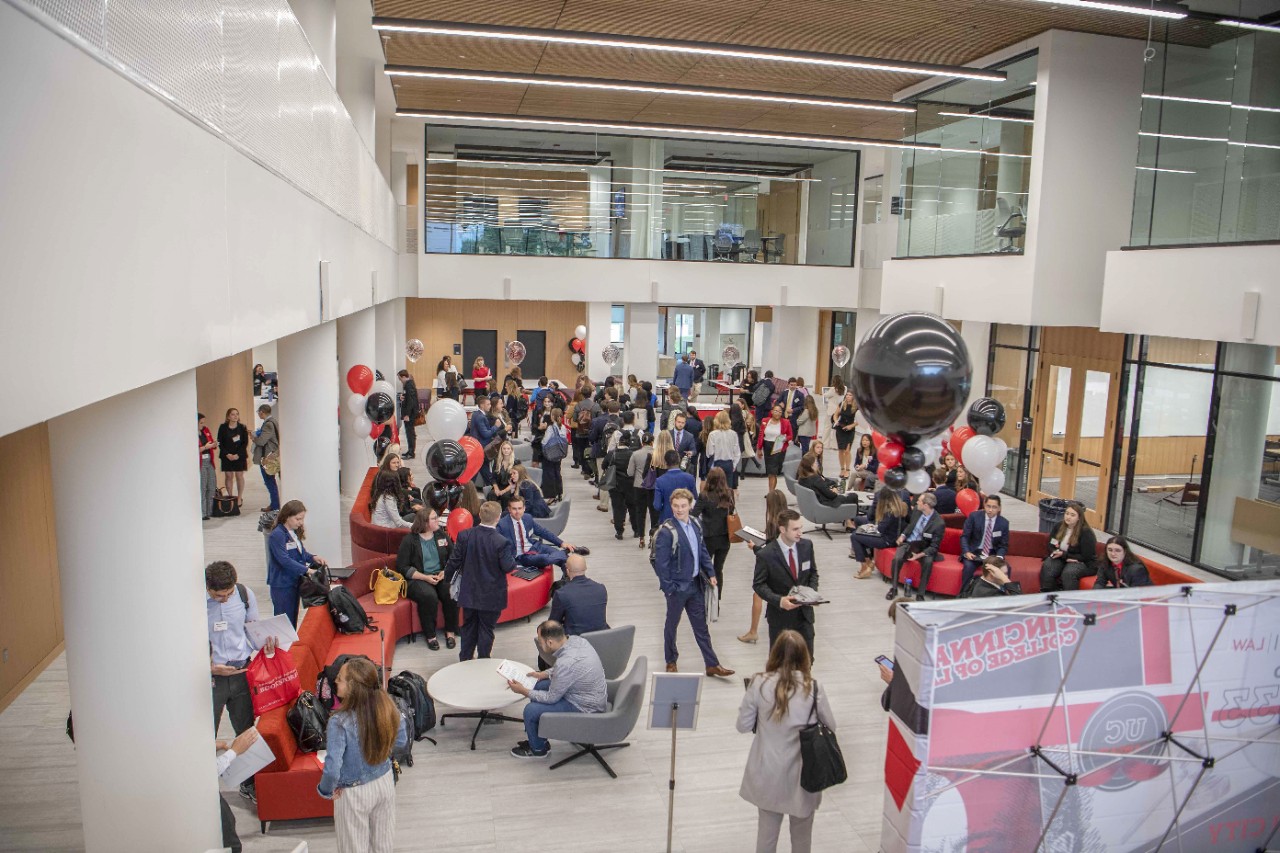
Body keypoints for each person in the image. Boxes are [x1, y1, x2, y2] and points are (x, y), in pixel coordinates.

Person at [737, 630, 836, 853]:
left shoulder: (758, 683)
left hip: (767, 773)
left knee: (766, 838)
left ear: (774, 654)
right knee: (802, 841)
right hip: (803, 777)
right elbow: (831, 727)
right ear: (805, 656)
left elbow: (742, 725)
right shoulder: (814, 688)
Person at [317, 657, 409, 853]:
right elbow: (401, 741)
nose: (335, 681)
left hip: (353, 794)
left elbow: (332, 769)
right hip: (385, 782)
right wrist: (380, 752)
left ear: (352, 686)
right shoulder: (387, 705)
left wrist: (326, 790)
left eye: (340, 679)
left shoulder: (339, 722)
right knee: (383, 847)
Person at [652, 489, 735, 678]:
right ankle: (671, 660)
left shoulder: (697, 524)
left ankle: (712, 664)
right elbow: (661, 564)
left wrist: (711, 572)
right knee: (672, 625)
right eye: (675, 506)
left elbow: (702, 550)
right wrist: (669, 588)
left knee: (701, 627)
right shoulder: (667, 532)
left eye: (683, 506)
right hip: (677, 588)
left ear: (690, 505)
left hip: (696, 585)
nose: (679, 510)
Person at [506, 620, 608, 759]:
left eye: (540, 642)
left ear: (549, 642)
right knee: (537, 685)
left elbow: (551, 697)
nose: (540, 645)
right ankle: (538, 738)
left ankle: (538, 749)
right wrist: (544, 674)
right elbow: (565, 669)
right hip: (587, 693)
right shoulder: (578, 641)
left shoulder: (565, 663)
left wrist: (523, 690)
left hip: (584, 706)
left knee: (530, 710)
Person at [206, 560, 264, 804]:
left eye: (229, 594)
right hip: (212, 680)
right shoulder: (192, 603)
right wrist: (208, 668)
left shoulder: (244, 594)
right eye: (220, 596)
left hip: (242, 673)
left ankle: (248, 784)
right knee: (205, 734)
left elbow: (253, 629)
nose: (225, 599)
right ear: (208, 588)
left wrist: (263, 645)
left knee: (246, 731)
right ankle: (204, 787)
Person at [444, 501, 516, 660]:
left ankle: (465, 659)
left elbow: (454, 561)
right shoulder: (501, 541)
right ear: (498, 518)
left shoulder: (465, 535)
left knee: (468, 626)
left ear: (480, 516)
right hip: (491, 595)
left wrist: (447, 580)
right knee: (486, 629)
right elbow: (508, 567)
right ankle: (483, 660)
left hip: (469, 591)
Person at [752, 510, 819, 659]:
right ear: (782, 529)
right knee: (780, 664)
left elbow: (813, 573)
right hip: (780, 619)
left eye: (800, 528)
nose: (800, 533)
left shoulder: (807, 546)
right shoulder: (766, 554)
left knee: (807, 661)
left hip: (804, 617)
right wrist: (779, 600)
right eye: (795, 529)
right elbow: (758, 584)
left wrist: (811, 593)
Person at [396, 509, 458, 650]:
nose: (438, 520)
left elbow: (453, 557)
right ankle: (430, 635)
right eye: (434, 518)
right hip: (418, 577)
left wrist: (445, 571)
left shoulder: (441, 535)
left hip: (439, 574)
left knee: (451, 591)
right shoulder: (410, 540)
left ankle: (450, 631)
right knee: (429, 596)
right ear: (424, 522)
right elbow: (402, 567)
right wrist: (425, 577)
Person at [266, 500, 328, 626]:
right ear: (287, 516)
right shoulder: (277, 535)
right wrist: (307, 570)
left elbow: (301, 554)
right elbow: (284, 560)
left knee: (293, 618)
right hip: (282, 584)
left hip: (294, 581)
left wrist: (313, 558)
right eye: (298, 519)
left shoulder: (293, 532)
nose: (301, 522)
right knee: (284, 621)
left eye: (302, 519)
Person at [739, 489, 788, 644]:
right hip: (783, 565)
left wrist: (754, 547)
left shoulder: (773, 522)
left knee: (758, 593)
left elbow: (768, 551)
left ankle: (753, 631)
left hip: (769, 566)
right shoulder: (786, 520)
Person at [497, 495, 586, 571]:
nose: (517, 512)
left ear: (524, 508)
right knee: (545, 559)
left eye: (520, 508)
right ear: (509, 509)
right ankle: (566, 552)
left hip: (534, 546)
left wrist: (561, 543)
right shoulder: (502, 524)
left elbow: (543, 532)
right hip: (521, 556)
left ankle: (566, 580)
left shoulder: (527, 518)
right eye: (514, 509)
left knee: (562, 559)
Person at [887, 492, 945, 602]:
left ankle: (920, 594)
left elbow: (934, 547)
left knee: (928, 562)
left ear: (926, 505)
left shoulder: (938, 523)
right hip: (909, 543)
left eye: (919, 501)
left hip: (924, 548)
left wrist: (918, 555)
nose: (916, 502)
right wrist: (903, 536)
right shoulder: (917, 511)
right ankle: (893, 588)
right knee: (897, 559)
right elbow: (911, 526)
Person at [692, 467, 735, 600]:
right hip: (724, 538)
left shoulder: (704, 496)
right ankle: (717, 598)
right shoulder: (729, 493)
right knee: (718, 569)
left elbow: (694, 515)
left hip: (708, 537)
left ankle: (705, 596)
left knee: (706, 569)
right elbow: (731, 512)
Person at [850, 487, 909, 580]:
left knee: (854, 536)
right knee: (858, 536)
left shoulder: (889, 512)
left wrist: (876, 524)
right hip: (894, 537)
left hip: (886, 540)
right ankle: (868, 562)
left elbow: (881, 529)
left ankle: (864, 566)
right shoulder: (901, 506)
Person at [1040, 501, 1098, 591]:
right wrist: (1054, 552)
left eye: (1072, 515)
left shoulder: (1086, 532)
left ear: (1079, 518)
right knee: (1048, 566)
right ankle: (1048, 594)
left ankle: (1069, 599)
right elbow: (1051, 544)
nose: (1068, 517)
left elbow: (1087, 556)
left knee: (1069, 573)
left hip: (1082, 562)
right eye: (1067, 514)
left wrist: (1064, 555)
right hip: (1062, 557)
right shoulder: (1058, 526)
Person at [549, 554, 609, 636]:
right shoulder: (601, 588)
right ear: (585, 568)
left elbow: (553, 624)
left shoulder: (561, 594)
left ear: (567, 571)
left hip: (576, 641)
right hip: (601, 638)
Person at [960, 494, 1011, 590]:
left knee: (1006, 568)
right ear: (984, 505)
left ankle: (1002, 595)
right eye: (988, 506)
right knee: (968, 567)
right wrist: (966, 551)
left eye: (994, 507)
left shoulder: (1004, 523)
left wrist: (999, 557)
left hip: (992, 554)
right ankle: (963, 595)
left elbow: (1003, 545)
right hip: (974, 552)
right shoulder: (974, 517)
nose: (990, 510)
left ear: (999, 508)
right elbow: (964, 537)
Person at [606, 412, 642, 539]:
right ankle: (636, 529)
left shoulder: (616, 435)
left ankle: (619, 531)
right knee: (633, 506)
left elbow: (607, 455)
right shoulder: (639, 435)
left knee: (618, 507)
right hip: (631, 481)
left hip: (616, 482)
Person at [757, 403, 794, 494]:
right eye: (776, 411)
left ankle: (771, 493)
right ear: (772, 411)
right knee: (770, 472)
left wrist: (784, 439)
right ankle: (772, 491)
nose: (777, 413)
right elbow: (761, 435)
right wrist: (759, 448)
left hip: (778, 447)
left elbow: (790, 435)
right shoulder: (765, 421)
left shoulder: (785, 422)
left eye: (780, 412)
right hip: (767, 446)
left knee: (773, 472)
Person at [626, 432, 656, 546]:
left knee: (640, 512)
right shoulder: (656, 454)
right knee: (653, 512)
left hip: (638, 486)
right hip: (652, 486)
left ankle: (641, 537)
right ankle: (652, 536)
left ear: (642, 442)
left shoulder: (635, 454)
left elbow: (629, 472)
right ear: (652, 442)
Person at [653, 449, 697, 525]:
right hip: (686, 518)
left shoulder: (659, 481)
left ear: (665, 463)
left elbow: (657, 505)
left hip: (667, 520)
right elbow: (694, 499)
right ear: (679, 460)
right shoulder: (690, 478)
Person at [217, 408, 250, 507]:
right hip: (227, 456)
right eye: (233, 414)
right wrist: (227, 454)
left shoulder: (242, 427)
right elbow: (220, 442)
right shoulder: (223, 427)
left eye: (237, 414)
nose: (235, 416)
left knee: (239, 476)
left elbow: (245, 443)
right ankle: (230, 497)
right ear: (228, 416)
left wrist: (237, 455)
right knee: (229, 476)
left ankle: (239, 498)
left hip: (239, 455)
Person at [252, 404, 280, 512]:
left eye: (258, 412)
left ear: (262, 412)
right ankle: (275, 504)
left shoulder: (268, 424)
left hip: (268, 457)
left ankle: (275, 505)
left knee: (269, 481)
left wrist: (254, 438)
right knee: (271, 481)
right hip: (272, 455)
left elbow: (261, 441)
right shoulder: (274, 421)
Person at [467, 396, 500, 486]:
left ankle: (491, 487)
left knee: (481, 470)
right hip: (481, 448)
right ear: (482, 405)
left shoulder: (476, 414)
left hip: (477, 448)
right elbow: (486, 434)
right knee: (477, 471)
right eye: (488, 404)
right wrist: (496, 426)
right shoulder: (481, 417)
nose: (490, 406)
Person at [706, 410, 742, 493]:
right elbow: (737, 452)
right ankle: (727, 505)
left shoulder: (712, 434)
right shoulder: (733, 434)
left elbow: (709, 452)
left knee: (716, 488)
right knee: (728, 489)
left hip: (717, 463)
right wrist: (734, 464)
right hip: (729, 463)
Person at [539, 407, 567, 502]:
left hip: (550, 454)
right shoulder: (563, 427)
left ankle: (551, 495)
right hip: (559, 453)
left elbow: (545, 441)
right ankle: (559, 493)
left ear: (553, 416)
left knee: (549, 474)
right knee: (557, 472)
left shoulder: (551, 428)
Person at [831, 392, 858, 480]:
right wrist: (836, 421)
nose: (848, 396)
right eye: (847, 395)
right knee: (841, 450)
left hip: (850, 430)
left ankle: (848, 469)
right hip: (840, 429)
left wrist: (851, 426)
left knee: (847, 450)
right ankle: (842, 468)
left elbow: (859, 420)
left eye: (850, 395)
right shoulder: (842, 404)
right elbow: (835, 414)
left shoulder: (856, 407)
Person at [487, 439, 518, 510]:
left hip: (511, 487)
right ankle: (492, 513)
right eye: (504, 448)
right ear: (501, 450)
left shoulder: (516, 462)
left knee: (505, 496)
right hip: (499, 486)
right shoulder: (496, 460)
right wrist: (496, 489)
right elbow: (493, 478)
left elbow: (515, 481)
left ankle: (505, 515)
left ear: (511, 450)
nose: (506, 450)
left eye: (508, 448)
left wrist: (503, 491)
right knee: (491, 494)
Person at [396, 370, 420, 459]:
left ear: (403, 377)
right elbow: (409, 398)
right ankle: (410, 451)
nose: (400, 380)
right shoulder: (410, 384)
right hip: (411, 413)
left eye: (400, 378)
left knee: (410, 433)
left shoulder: (408, 385)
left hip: (410, 414)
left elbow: (411, 401)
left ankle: (411, 452)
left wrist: (407, 414)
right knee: (409, 432)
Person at [199, 413, 218, 520]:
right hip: (201, 462)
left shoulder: (205, 430)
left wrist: (213, 445)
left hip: (209, 461)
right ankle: (203, 513)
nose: (203, 425)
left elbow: (210, 441)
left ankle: (210, 510)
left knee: (211, 486)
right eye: (201, 423)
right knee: (203, 487)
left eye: (203, 422)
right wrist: (204, 447)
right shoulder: (192, 433)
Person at [820, 376, 845, 448]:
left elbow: (825, 395)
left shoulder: (833, 389)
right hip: (838, 410)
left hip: (831, 411)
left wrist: (824, 390)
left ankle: (825, 444)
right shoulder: (843, 389)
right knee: (836, 428)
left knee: (827, 427)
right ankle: (835, 445)